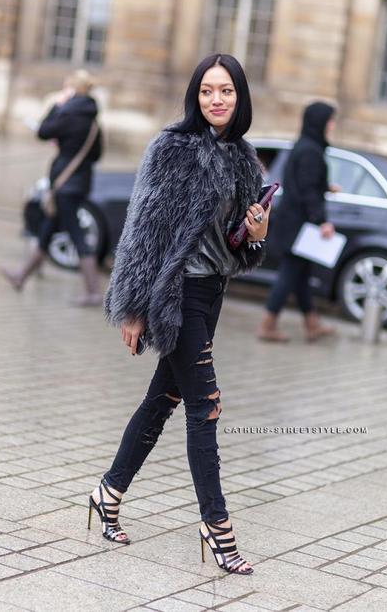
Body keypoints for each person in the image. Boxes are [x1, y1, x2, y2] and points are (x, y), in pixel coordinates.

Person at [87, 54, 271, 575]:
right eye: (208, 91)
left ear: (240, 98)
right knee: (204, 407)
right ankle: (218, 529)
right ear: (195, 96)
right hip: (176, 293)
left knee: (163, 398)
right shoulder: (171, 148)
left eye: (227, 91)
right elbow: (142, 230)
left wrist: (255, 236)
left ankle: (108, 492)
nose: (217, 100)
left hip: (211, 292)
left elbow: (237, 247)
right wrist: (132, 307)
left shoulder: (242, 156)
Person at [2, 70, 103, 306]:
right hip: (80, 183)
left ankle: (94, 292)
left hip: (63, 184)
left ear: (71, 89)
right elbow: (97, 154)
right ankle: (21, 276)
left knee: (76, 235)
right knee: (48, 229)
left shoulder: (67, 112)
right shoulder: (93, 121)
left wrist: (56, 106)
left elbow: (43, 131)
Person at [257, 101, 338, 342]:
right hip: (298, 224)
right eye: (330, 120)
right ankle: (267, 324)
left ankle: (311, 323)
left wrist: (326, 186)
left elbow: (305, 183)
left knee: (300, 275)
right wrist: (322, 221)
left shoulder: (304, 146)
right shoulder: (311, 151)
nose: (332, 125)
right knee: (290, 273)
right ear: (320, 122)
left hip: (293, 221)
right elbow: (307, 191)